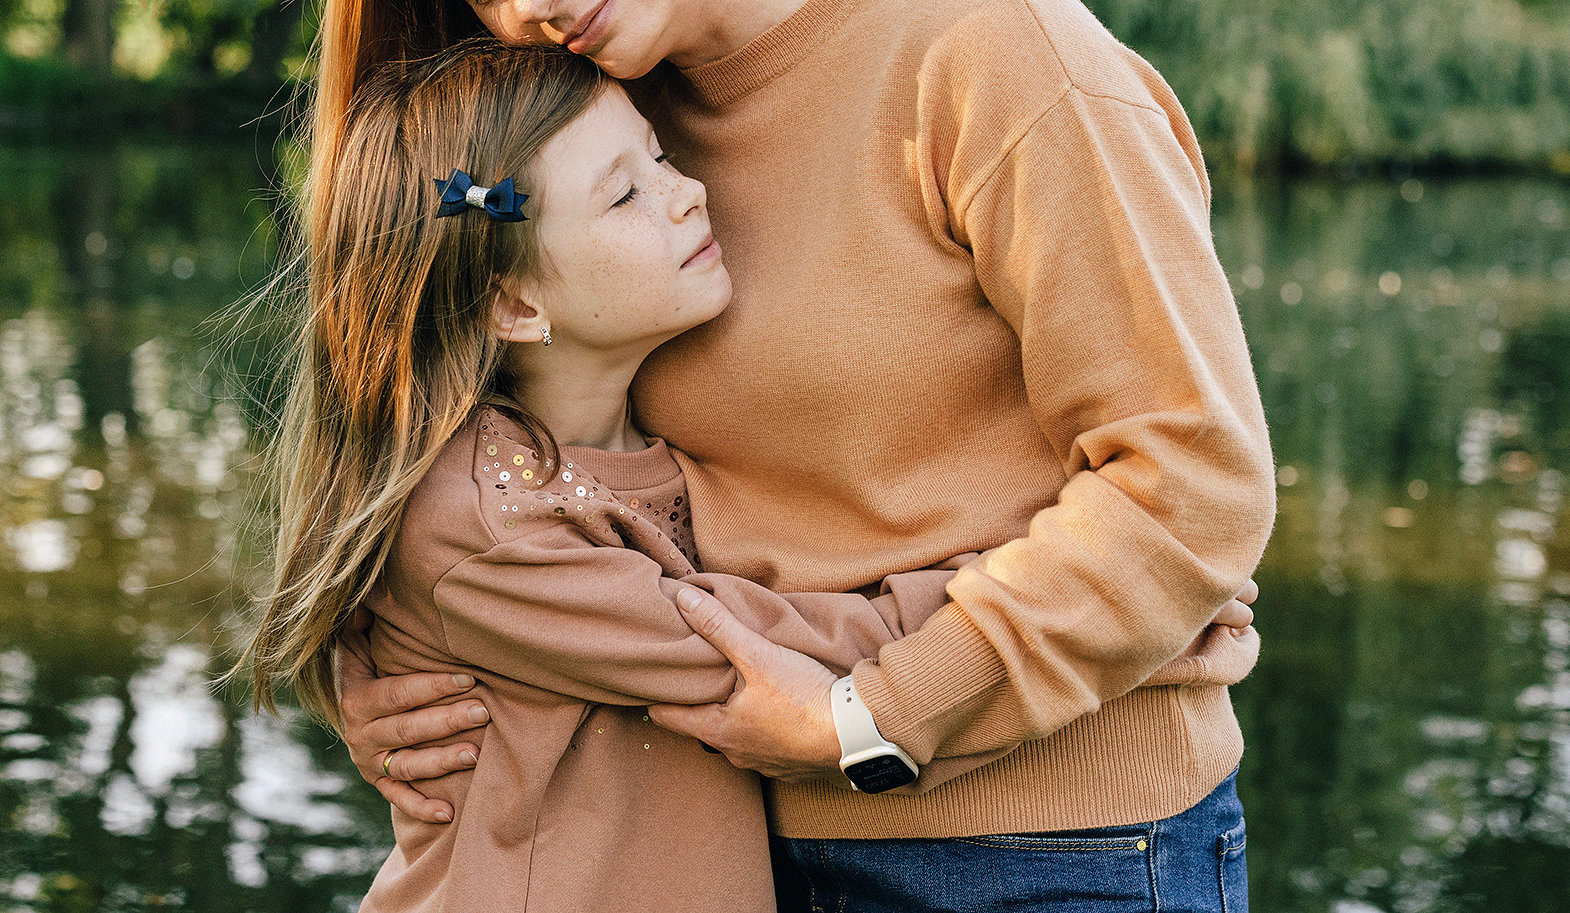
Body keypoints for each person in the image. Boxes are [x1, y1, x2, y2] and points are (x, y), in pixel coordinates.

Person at [315, 0, 1276, 912]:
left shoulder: (979, 43)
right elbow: (435, 414)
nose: (530, 1)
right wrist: (395, 665)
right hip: (732, 841)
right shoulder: (577, 135)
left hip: (1055, 851)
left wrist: (873, 714)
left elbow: (1190, 478)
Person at [241, 44, 1259, 913]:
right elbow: (758, 655)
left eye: (659, 154)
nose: (686, 190)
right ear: (512, 306)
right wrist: (1109, 607)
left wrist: (1118, 595)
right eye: (625, 193)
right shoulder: (486, 517)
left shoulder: (647, 449)